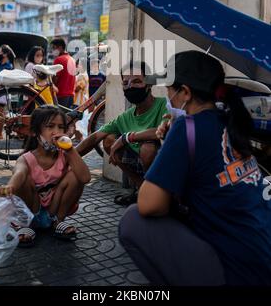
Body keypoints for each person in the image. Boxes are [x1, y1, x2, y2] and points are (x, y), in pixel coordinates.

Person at [119, 50, 271, 286]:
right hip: (261, 250)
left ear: (185, 93)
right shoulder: (230, 118)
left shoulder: (188, 127)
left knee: (132, 221)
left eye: (170, 90)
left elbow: (149, 204)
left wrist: (174, 138)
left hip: (239, 270)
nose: (168, 97)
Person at [75, 61, 168, 206]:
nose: (130, 86)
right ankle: (141, 188)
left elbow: (162, 131)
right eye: (125, 83)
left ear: (149, 84)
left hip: (164, 166)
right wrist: (66, 156)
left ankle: (157, 194)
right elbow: (95, 137)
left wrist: (126, 137)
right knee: (108, 140)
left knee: (147, 148)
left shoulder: (164, 105)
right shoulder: (127, 116)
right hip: (139, 163)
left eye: (137, 81)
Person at [0, 105, 91, 246]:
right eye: (50, 126)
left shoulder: (65, 155)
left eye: (60, 127)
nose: (56, 132)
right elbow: (20, 173)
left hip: (54, 210)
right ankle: (26, 226)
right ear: (36, 132)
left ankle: (58, 222)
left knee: (75, 175)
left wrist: (70, 149)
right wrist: (11, 186)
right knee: (25, 179)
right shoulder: (27, 158)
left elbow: (85, 178)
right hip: (31, 209)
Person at [50, 38, 76, 108]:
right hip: (71, 95)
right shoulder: (72, 59)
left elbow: (55, 78)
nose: (52, 50)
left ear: (60, 48)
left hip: (61, 95)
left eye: (54, 48)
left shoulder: (58, 59)